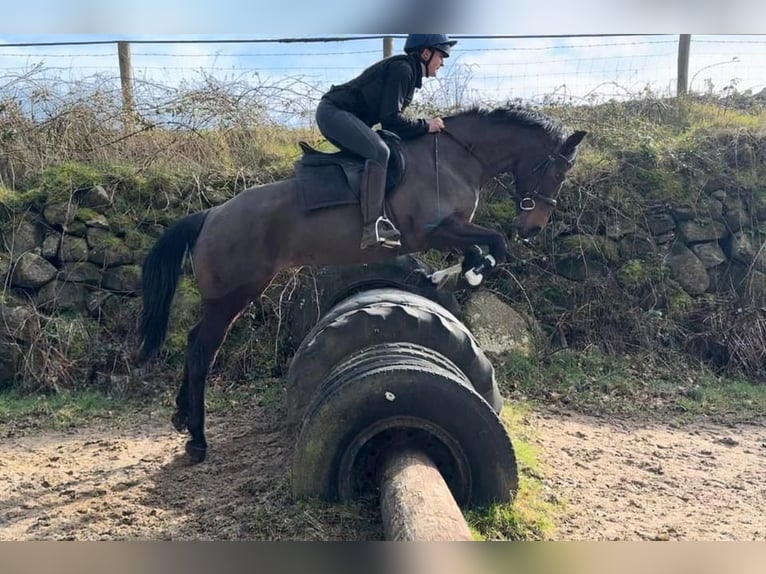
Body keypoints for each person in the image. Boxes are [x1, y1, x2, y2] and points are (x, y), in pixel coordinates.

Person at [315, 34, 458, 250]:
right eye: (442, 55)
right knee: (379, 152)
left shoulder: (408, 73)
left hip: (342, 114)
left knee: (384, 149)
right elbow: (391, 120)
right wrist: (425, 125)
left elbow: (393, 123)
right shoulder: (404, 70)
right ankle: (372, 227)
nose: (443, 62)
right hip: (333, 112)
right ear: (426, 53)